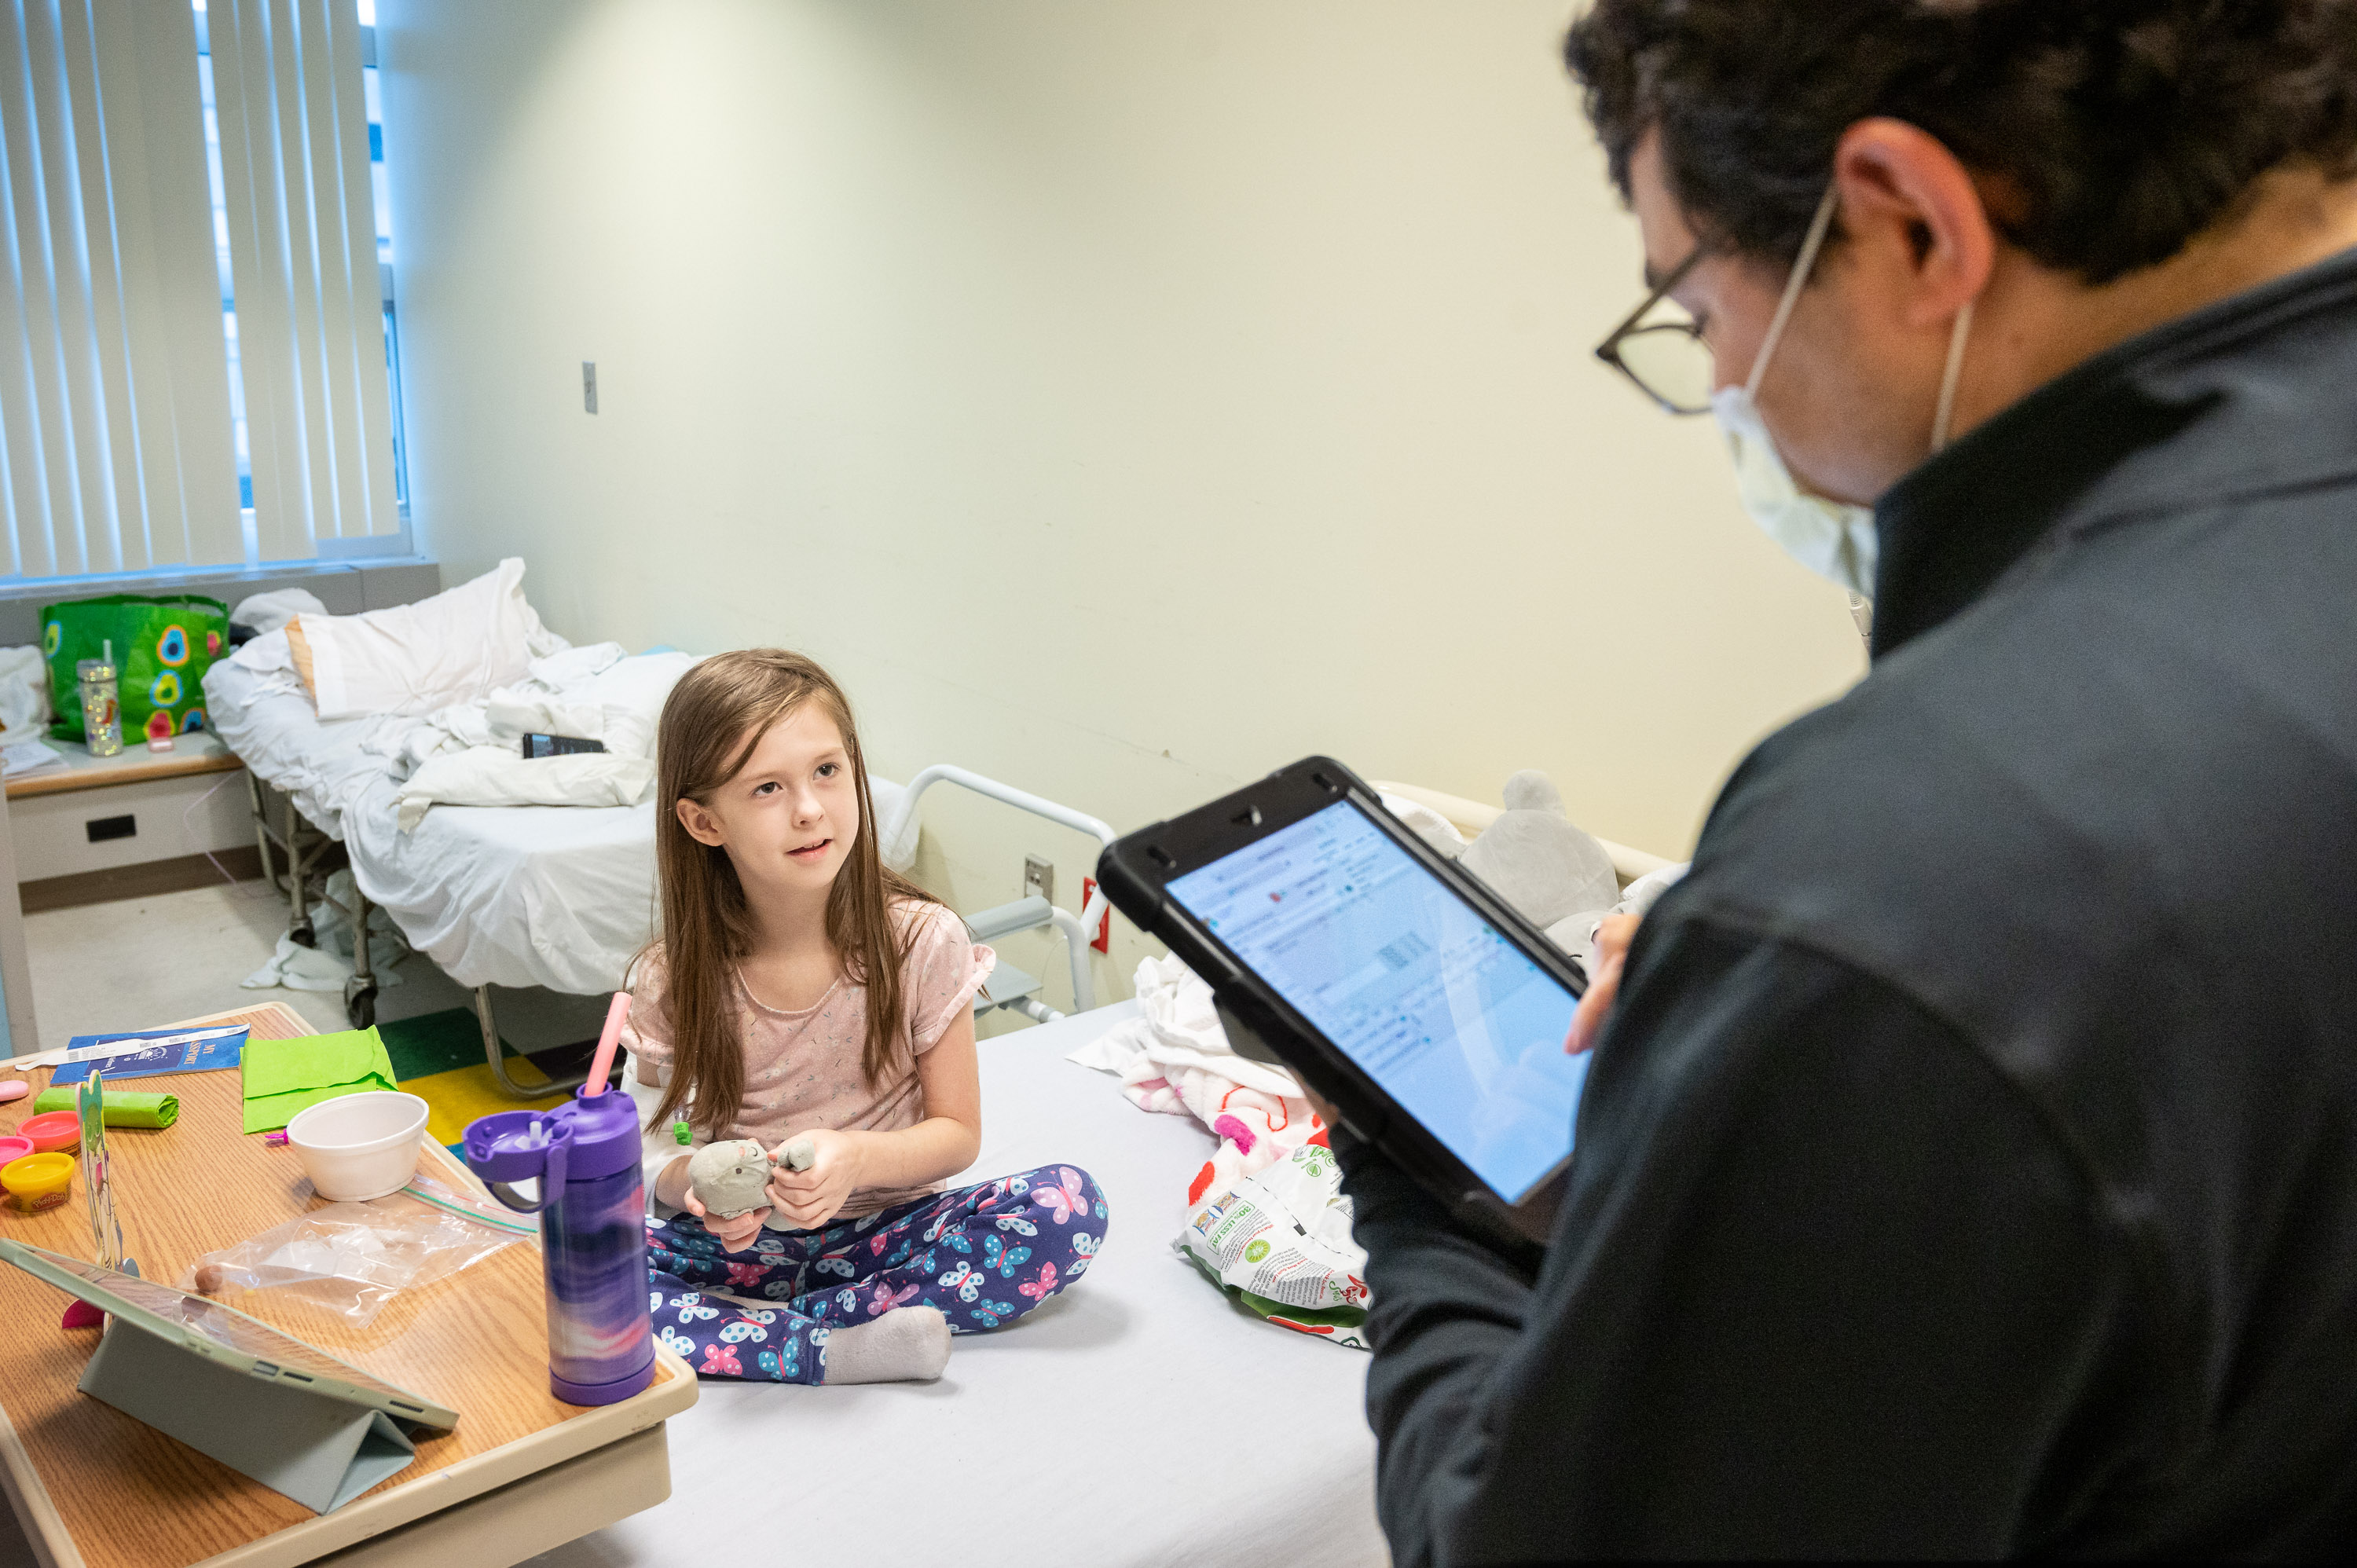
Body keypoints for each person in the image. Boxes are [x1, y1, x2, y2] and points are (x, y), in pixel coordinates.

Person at [1333, 2, 2357, 1557]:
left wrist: (1419, 1189)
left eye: (1693, 301)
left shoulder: (1907, 885)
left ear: (1907, 222)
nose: (1726, 377)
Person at [621, 649, 1107, 1385]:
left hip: (888, 1231)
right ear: (702, 821)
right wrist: (695, 1184)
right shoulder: (670, 977)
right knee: (561, 1269)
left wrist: (855, 1161)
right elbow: (654, 1141)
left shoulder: (920, 940)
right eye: (766, 788)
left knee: (1066, 1206)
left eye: (826, 771)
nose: (810, 808)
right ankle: (841, 1345)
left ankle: (779, 1333)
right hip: (735, 1247)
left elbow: (957, 1135)